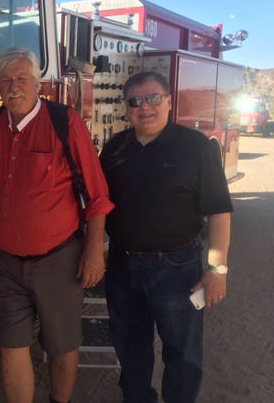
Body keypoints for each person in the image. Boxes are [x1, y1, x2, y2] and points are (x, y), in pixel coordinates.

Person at [0, 47, 114, 403]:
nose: (13, 86)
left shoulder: (66, 123)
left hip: (58, 260)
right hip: (4, 263)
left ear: (38, 84)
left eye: (21, 78)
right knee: (10, 345)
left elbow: (97, 194)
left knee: (62, 345)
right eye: (5, 80)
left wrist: (94, 250)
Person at [99, 71, 233, 403]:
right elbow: (98, 204)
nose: (145, 107)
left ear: (169, 102)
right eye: (135, 101)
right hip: (121, 266)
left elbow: (219, 210)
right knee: (130, 349)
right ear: (126, 107)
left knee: (182, 353)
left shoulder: (196, 147)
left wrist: (217, 269)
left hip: (176, 268)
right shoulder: (114, 148)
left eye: (153, 98)